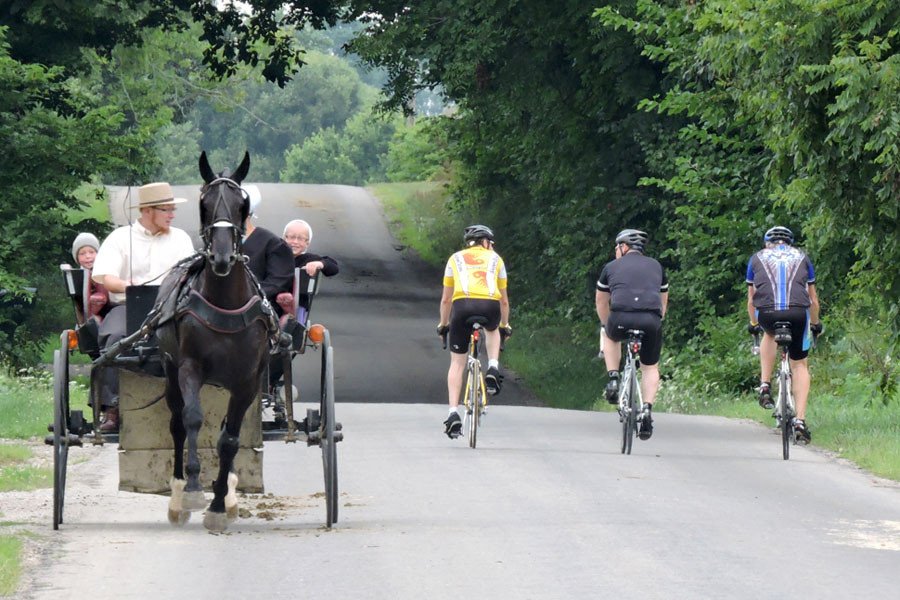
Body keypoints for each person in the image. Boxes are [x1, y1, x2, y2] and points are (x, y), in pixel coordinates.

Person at [91, 182, 195, 432]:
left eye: (173, 209)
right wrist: (126, 284)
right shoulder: (120, 238)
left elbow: (191, 275)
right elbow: (106, 277)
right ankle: (113, 407)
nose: (172, 214)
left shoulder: (180, 238)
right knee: (114, 337)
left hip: (174, 309)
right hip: (130, 305)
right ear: (147, 210)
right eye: (166, 209)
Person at [746, 225, 821, 444]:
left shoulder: (756, 258)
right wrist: (815, 324)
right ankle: (800, 420)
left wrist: (753, 323)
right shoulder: (802, 257)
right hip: (798, 313)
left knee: (768, 333)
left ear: (767, 242)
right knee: (800, 365)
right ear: (790, 242)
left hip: (768, 314)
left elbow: (751, 300)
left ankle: (765, 384)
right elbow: (813, 300)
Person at [437, 224, 511, 438]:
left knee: (457, 363)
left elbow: (445, 299)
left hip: (462, 306)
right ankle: (493, 368)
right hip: (490, 306)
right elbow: (504, 301)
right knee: (493, 329)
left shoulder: (455, 259)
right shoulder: (496, 259)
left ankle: (453, 413)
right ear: (486, 242)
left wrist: (443, 324)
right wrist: (505, 325)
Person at [595, 229, 668, 441]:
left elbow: (600, 301)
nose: (616, 251)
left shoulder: (610, 267)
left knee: (609, 335)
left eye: (617, 247)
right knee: (650, 367)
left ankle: (613, 378)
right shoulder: (656, 266)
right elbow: (663, 302)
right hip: (650, 320)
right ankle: (646, 409)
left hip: (621, 317)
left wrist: (605, 323)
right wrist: (657, 321)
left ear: (624, 247)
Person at [240, 185, 294, 313]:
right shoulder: (220, 242)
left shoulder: (272, 244)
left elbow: (277, 281)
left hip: (258, 308)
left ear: (248, 212)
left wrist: (248, 296)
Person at [280, 218, 339, 310]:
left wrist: (319, 264)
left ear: (307, 243)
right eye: (291, 237)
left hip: (297, 306)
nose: (295, 242)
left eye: (300, 239)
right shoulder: (275, 256)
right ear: (284, 238)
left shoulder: (309, 259)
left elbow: (333, 267)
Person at [70, 232, 110, 320]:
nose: (88, 256)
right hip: (84, 318)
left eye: (91, 252)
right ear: (77, 257)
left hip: (106, 315)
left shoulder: (105, 271)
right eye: (82, 253)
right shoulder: (77, 276)